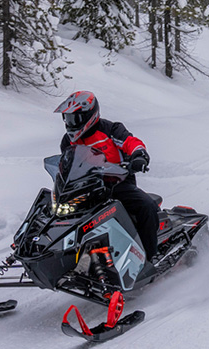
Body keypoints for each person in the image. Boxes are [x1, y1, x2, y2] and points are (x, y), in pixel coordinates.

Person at [55, 91, 160, 262]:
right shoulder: (68, 141)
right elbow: (67, 164)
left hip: (116, 184)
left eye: (74, 118)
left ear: (89, 115)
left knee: (146, 206)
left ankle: (150, 256)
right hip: (85, 187)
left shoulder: (111, 130)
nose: (69, 123)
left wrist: (139, 155)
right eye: (67, 118)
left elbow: (130, 142)